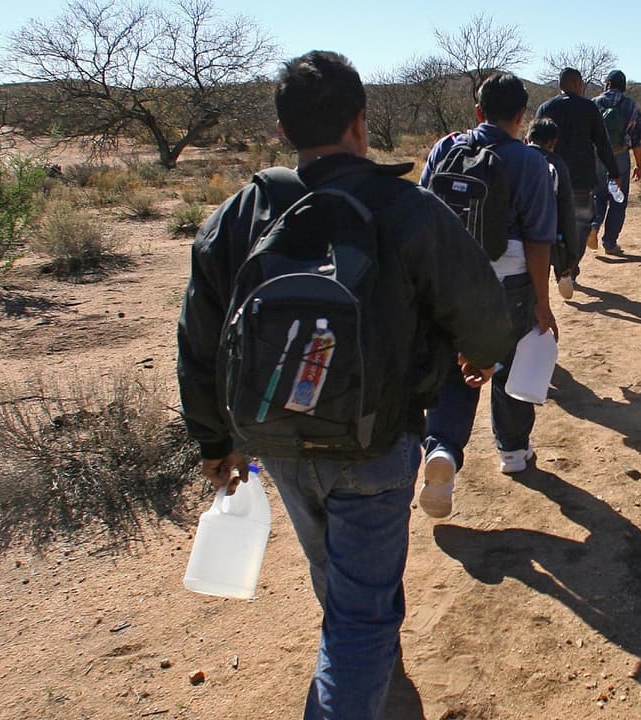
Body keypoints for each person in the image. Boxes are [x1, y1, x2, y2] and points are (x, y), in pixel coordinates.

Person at [176, 50, 512, 720]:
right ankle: (360, 676)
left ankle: (372, 674)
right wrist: (481, 357)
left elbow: (199, 340)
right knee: (362, 617)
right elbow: (483, 310)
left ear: (283, 130)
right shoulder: (406, 209)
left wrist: (216, 441)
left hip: (277, 438)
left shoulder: (240, 214)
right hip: (376, 443)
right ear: (362, 121)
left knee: (338, 577)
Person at [417, 72, 557, 518]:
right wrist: (542, 301)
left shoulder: (446, 147)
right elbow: (539, 239)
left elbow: (422, 212)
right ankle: (513, 452)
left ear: (477, 112)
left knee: (453, 372)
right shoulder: (531, 162)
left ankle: (442, 451)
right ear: (522, 116)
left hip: (447, 282)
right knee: (509, 366)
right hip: (507, 285)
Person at [534, 67, 620, 283]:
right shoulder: (589, 108)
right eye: (581, 83)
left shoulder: (546, 108)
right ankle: (569, 268)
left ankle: (560, 268)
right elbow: (602, 143)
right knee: (581, 226)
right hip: (581, 181)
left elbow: (534, 143)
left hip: (549, 180)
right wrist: (614, 171)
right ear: (575, 83)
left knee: (553, 225)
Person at [525, 117, 582, 300]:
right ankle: (562, 273)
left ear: (528, 138)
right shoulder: (557, 165)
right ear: (553, 142)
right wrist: (571, 257)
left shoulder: (513, 158)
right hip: (546, 238)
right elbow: (567, 214)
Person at [592, 69, 641, 256]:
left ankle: (593, 226)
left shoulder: (594, 104)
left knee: (598, 195)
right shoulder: (631, 106)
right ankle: (610, 243)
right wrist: (639, 165)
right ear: (624, 87)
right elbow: (637, 139)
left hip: (597, 156)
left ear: (607, 84)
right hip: (620, 157)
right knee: (617, 199)